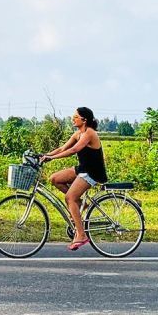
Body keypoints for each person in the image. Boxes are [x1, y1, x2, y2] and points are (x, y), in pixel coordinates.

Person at [40, 107, 108, 251]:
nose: (72, 119)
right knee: (55, 179)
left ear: (84, 120)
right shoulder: (78, 133)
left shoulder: (89, 133)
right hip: (83, 169)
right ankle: (81, 206)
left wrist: (51, 158)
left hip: (92, 172)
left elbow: (73, 150)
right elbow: (62, 148)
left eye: (75, 117)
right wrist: (45, 155)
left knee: (70, 198)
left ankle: (81, 235)